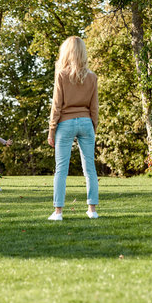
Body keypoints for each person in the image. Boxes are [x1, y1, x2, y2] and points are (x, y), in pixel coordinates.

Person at [47, 36, 99, 221]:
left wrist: (51, 130)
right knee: (90, 168)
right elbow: (94, 108)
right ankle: (92, 210)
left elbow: (57, 106)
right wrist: (94, 127)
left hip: (65, 123)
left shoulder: (61, 75)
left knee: (61, 169)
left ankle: (58, 212)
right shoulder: (92, 77)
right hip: (86, 123)